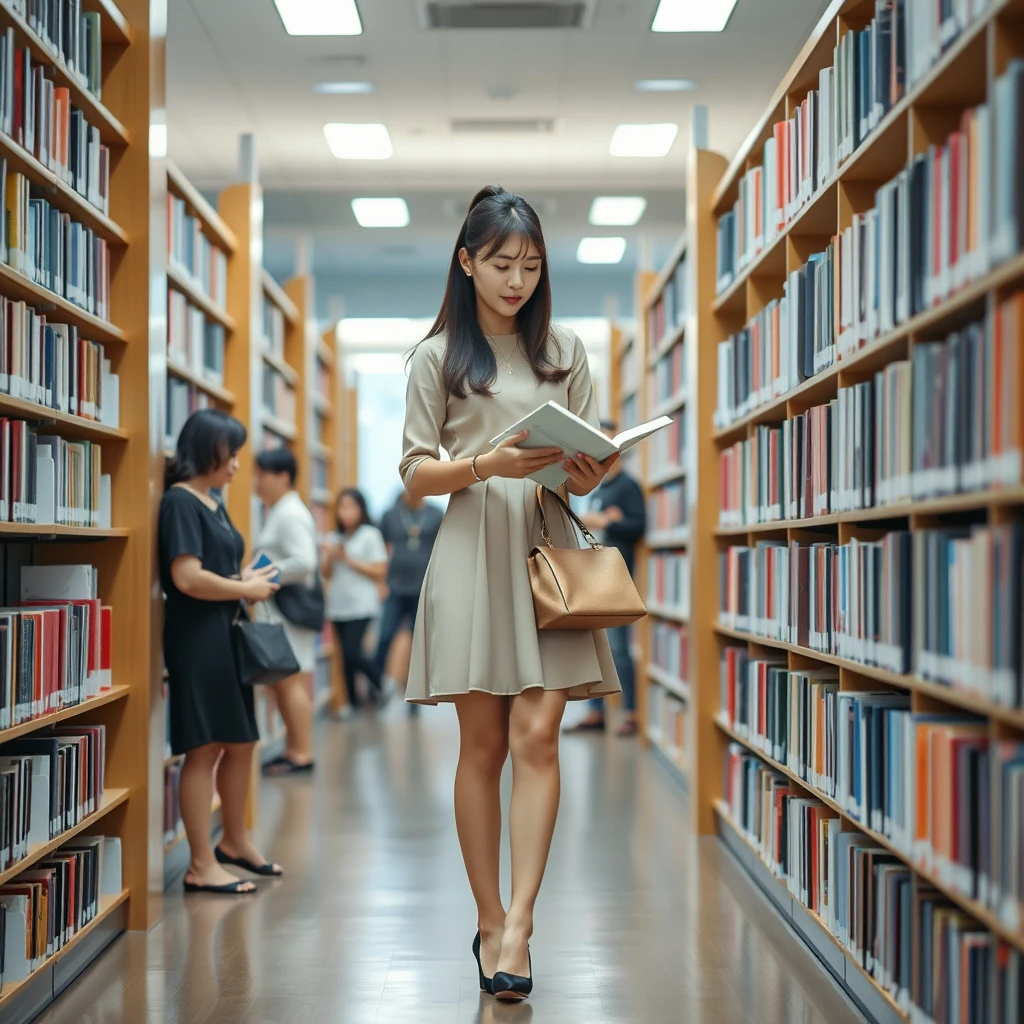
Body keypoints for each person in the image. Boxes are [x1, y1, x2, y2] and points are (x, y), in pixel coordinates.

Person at [400, 185, 619, 1001]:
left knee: (539, 737)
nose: (517, 279)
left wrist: (593, 469)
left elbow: (589, 463)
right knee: (483, 746)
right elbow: (416, 475)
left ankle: (522, 923)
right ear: (466, 261)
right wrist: (484, 465)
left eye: (530, 264)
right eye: (500, 263)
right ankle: (487, 916)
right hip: (469, 553)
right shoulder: (438, 358)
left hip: (549, 553)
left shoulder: (565, 348)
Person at [158, 409, 284, 895]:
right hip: (198, 639)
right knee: (204, 746)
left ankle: (235, 841)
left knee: (242, 740)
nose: (235, 465)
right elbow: (186, 577)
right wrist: (242, 590)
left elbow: (218, 568)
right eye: (229, 454)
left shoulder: (212, 502)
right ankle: (200, 864)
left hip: (226, 634)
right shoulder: (179, 503)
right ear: (205, 450)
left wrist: (245, 581)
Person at [564, 419, 646, 737]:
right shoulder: (599, 487)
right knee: (593, 646)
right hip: (592, 574)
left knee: (619, 648)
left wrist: (608, 523)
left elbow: (638, 526)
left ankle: (631, 715)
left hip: (616, 577)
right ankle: (596, 712)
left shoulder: (628, 486)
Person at [252, 447, 319, 775]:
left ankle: (301, 753)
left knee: (291, 682)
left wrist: (260, 574)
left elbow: (305, 563)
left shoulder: (289, 513)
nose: (255, 483)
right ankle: (294, 749)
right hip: (284, 613)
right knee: (286, 682)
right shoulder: (282, 510)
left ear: (282, 477)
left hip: (290, 613)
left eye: (261, 475)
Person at [374, 489, 444, 705]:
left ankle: (416, 694)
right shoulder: (390, 515)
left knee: (419, 643)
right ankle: (375, 687)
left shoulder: (436, 514)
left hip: (424, 587)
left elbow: (442, 548)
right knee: (385, 636)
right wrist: (380, 582)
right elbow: (381, 550)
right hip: (395, 587)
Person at [322, 488, 389, 711]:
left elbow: (379, 570)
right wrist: (330, 558)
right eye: (342, 506)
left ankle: (380, 682)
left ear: (361, 509)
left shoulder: (370, 534)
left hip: (362, 604)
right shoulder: (334, 537)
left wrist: (347, 558)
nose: (346, 512)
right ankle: (352, 703)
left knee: (353, 651)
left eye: (351, 506)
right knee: (344, 657)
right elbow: (326, 573)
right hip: (338, 604)